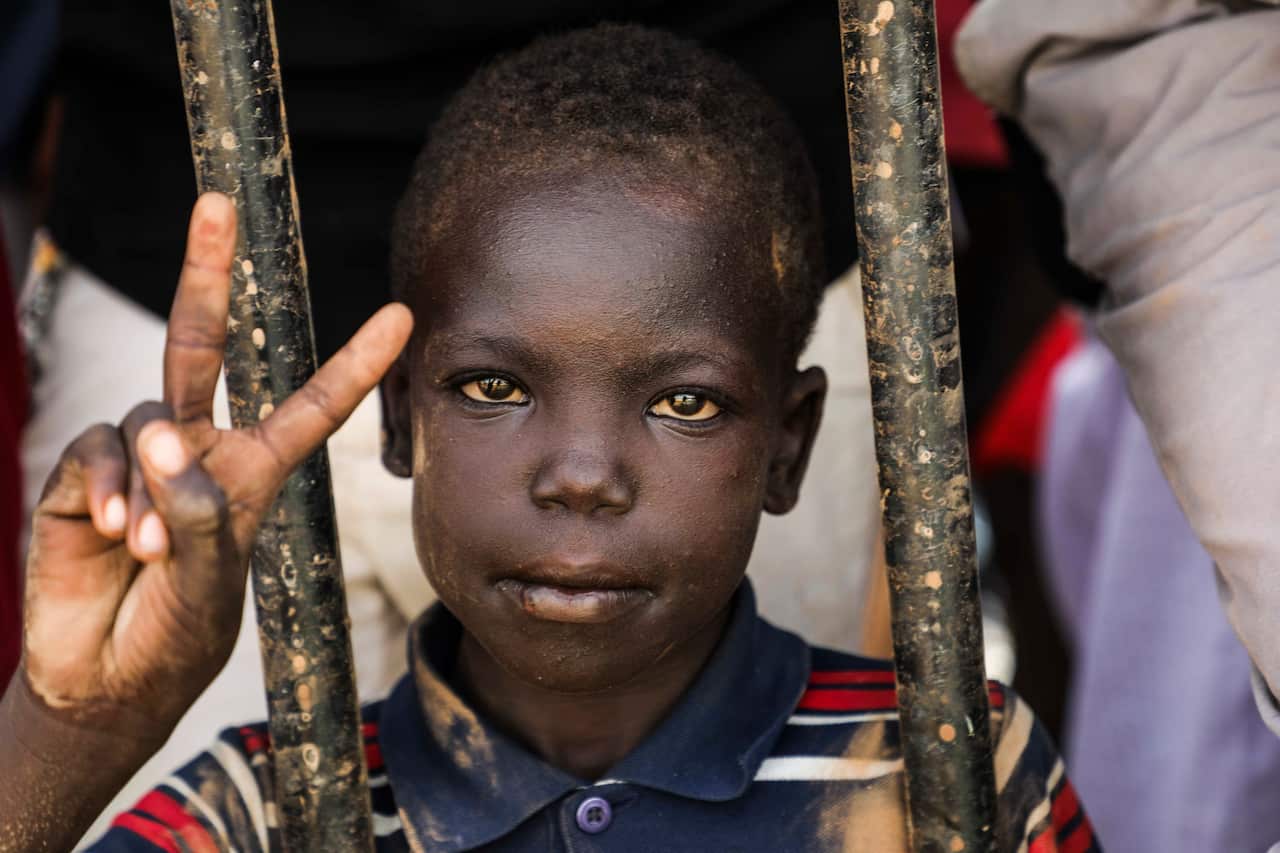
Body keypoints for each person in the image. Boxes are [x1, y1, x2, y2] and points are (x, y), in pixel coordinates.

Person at [0, 26, 1096, 852]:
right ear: (398, 422)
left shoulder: (951, 763)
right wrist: (73, 729)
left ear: (788, 445)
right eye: (491, 385)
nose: (581, 475)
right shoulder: (264, 805)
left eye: (684, 404)